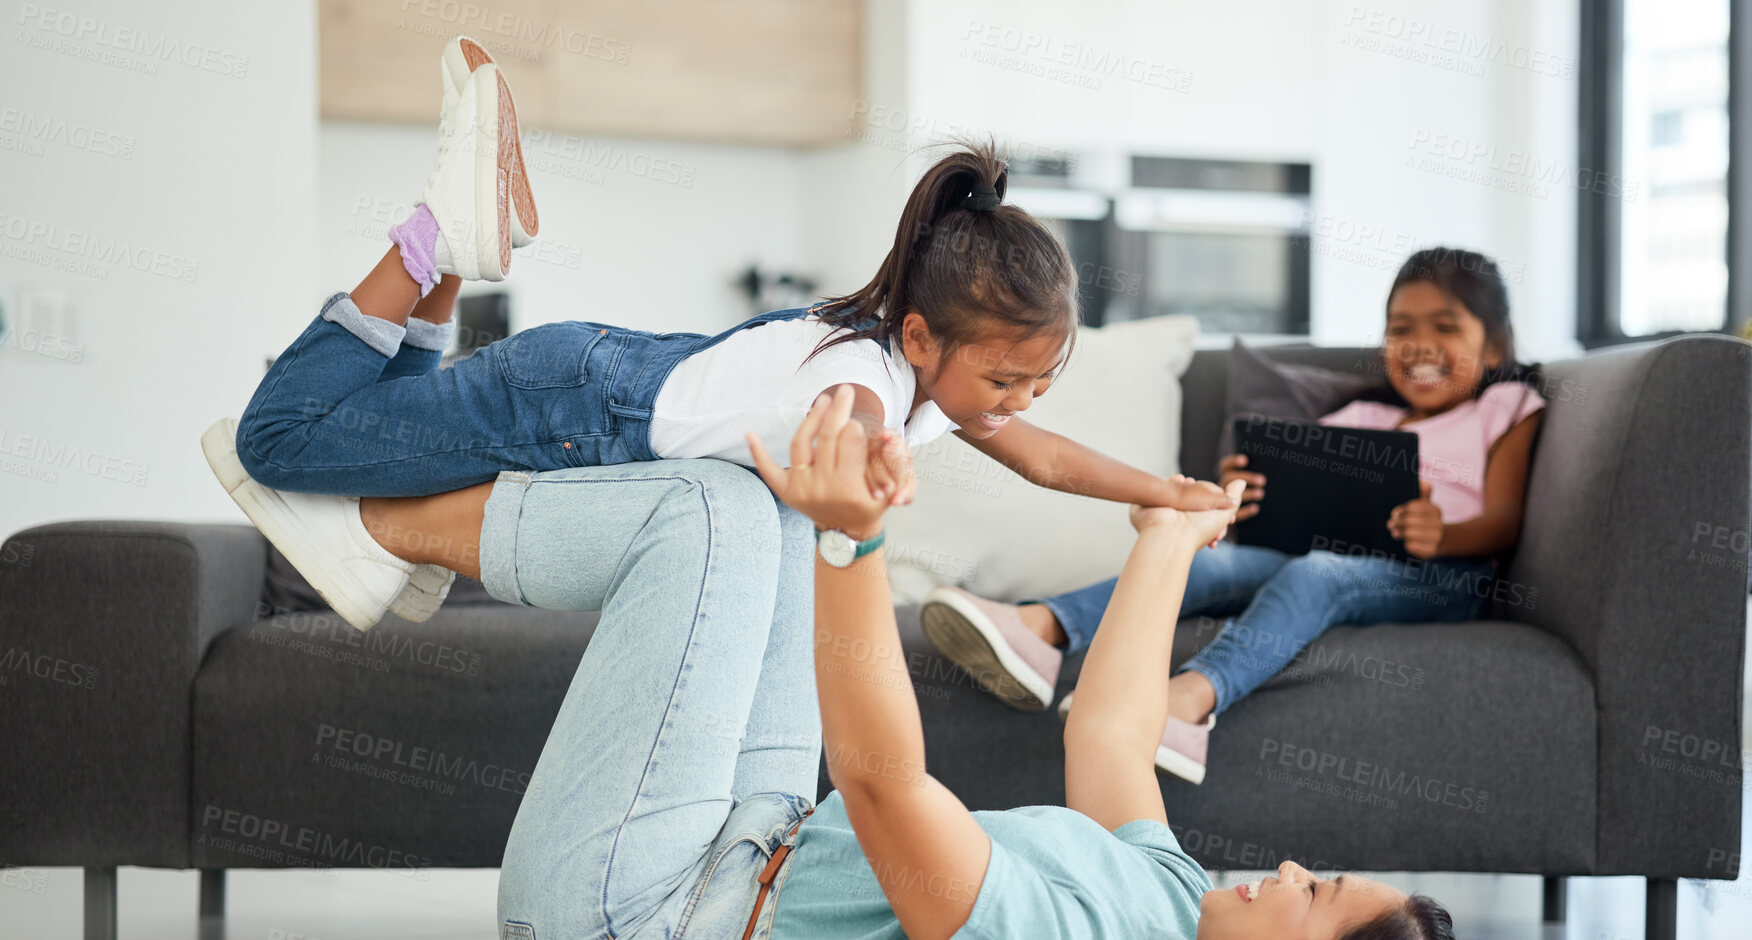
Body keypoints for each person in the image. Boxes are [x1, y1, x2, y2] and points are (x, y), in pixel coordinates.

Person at [347, 384, 1467, 940]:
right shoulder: (1182, 920)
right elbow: (1115, 741)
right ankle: (392, 528)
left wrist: (859, 549)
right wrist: (1171, 536)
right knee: (767, 484)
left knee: (708, 520)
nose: (1284, 869)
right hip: (756, 845)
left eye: (1312, 891)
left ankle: (359, 527)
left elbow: (884, 790)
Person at [200, 36, 1228, 633]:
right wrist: (870, 465)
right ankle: (433, 236)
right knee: (278, 441)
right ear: (924, 338)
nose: (1020, 406)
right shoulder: (871, 378)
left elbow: (1046, 457)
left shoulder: (924, 378)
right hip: (575, 409)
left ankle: (460, 250)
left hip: (591, 389)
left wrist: (1161, 490)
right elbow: (847, 419)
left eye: (1036, 384)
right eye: (1008, 381)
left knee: (376, 433)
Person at [920, 247, 1545, 785]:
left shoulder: (1506, 405)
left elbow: (1507, 520)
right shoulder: (1364, 420)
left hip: (1444, 578)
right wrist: (1241, 496)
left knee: (1318, 575)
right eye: (1402, 327)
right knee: (1220, 563)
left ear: (1495, 346)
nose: (1421, 346)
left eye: (1446, 328)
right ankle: (1042, 629)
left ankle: (1188, 705)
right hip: (1333, 556)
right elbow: (1304, 500)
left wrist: (1446, 536)